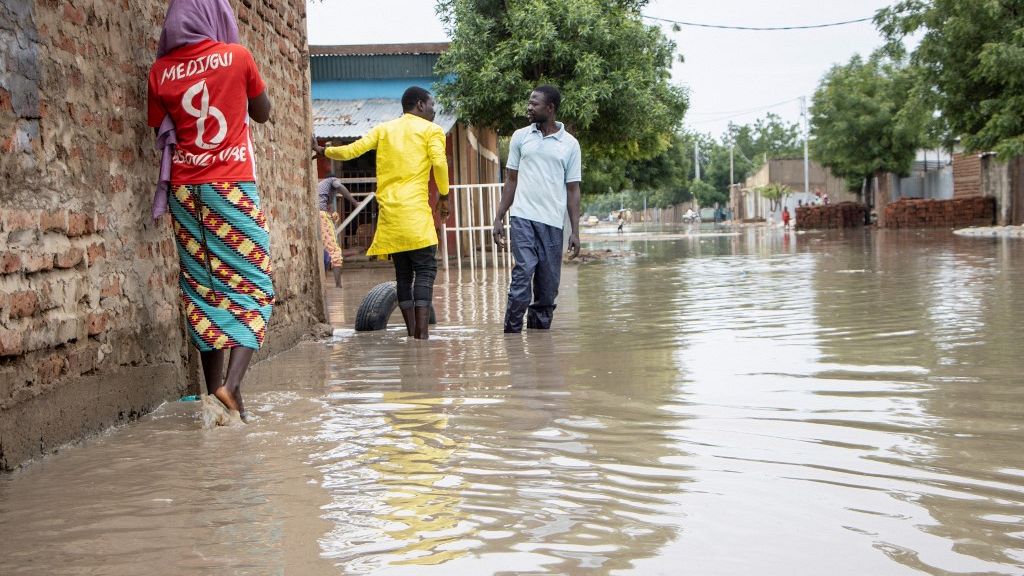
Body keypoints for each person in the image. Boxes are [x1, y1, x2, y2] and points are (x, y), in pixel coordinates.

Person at [147, 0, 273, 423]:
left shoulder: (160, 71)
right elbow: (264, 111)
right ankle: (232, 386)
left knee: (204, 289)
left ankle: (211, 395)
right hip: (231, 187)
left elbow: (158, 124)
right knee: (254, 286)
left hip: (186, 194)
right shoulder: (236, 56)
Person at [313, 87, 450, 339]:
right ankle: (422, 339)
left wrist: (325, 151)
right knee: (426, 273)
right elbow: (440, 163)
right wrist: (444, 195)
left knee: (403, 276)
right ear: (419, 105)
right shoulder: (432, 131)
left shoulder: (384, 129)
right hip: (416, 219)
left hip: (391, 221)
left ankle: (412, 335)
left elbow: (352, 150)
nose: (434, 110)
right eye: (432, 105)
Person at [492, 85, 582, 334]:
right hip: (522, 217)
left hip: (553, 224)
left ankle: (539, 345)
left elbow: (573, 190)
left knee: (547, 288)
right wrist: (499, 216)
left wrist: (575, 231)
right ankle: (511, 337)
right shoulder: (520, 137)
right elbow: (511, 180)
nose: (528, 108)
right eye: (529, 102)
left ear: (550, 108)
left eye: (535, 104)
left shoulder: (570, 145)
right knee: (523, 273)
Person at [317, 176, 356, 288]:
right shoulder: (332, 180)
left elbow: (328, 208)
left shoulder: (322, 190)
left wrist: (332, 214)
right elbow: (339, 185)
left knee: (326, 252)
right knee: (335, 251)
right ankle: (338, 285)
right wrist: (355, 203)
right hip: (321, 216)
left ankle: (329, 281)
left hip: (321, 215)